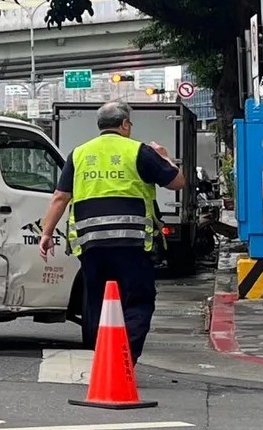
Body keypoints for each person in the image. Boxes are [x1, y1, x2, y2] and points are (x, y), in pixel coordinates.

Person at [37, 100, 186, 362]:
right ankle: (124, 360)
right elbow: (177, 183)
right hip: (132, 244)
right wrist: (165, 158)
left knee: (98, 302)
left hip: (91, 245)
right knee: (137, 300)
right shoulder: (138, 151)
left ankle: (104, 360)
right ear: (125, 124)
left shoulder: (79, 154)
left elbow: (60, 197)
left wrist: (46, 234)